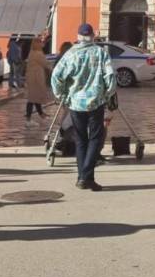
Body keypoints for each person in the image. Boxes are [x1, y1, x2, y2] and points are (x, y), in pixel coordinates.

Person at [50, 23, 117, 190]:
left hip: (75, 103)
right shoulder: (101, 53)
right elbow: (110, 78)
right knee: (96, 138)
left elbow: (56, 76)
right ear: (93, 36)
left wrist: (61, 95)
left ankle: (84, 177)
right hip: (96, 102)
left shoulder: (70, 54)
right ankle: (86, 176)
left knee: (81, 140)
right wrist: (107, 94)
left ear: (79, 36)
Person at [25, 32, 53, 121]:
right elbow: (46, 63)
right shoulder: (37, 53)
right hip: (35, 78)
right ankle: (28, 119)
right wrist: (54, 69)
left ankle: (41, 114)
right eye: (40, 42)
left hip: (33, 77)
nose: (42, 44)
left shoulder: (33, 52)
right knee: (33, 98)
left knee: (35, 97)